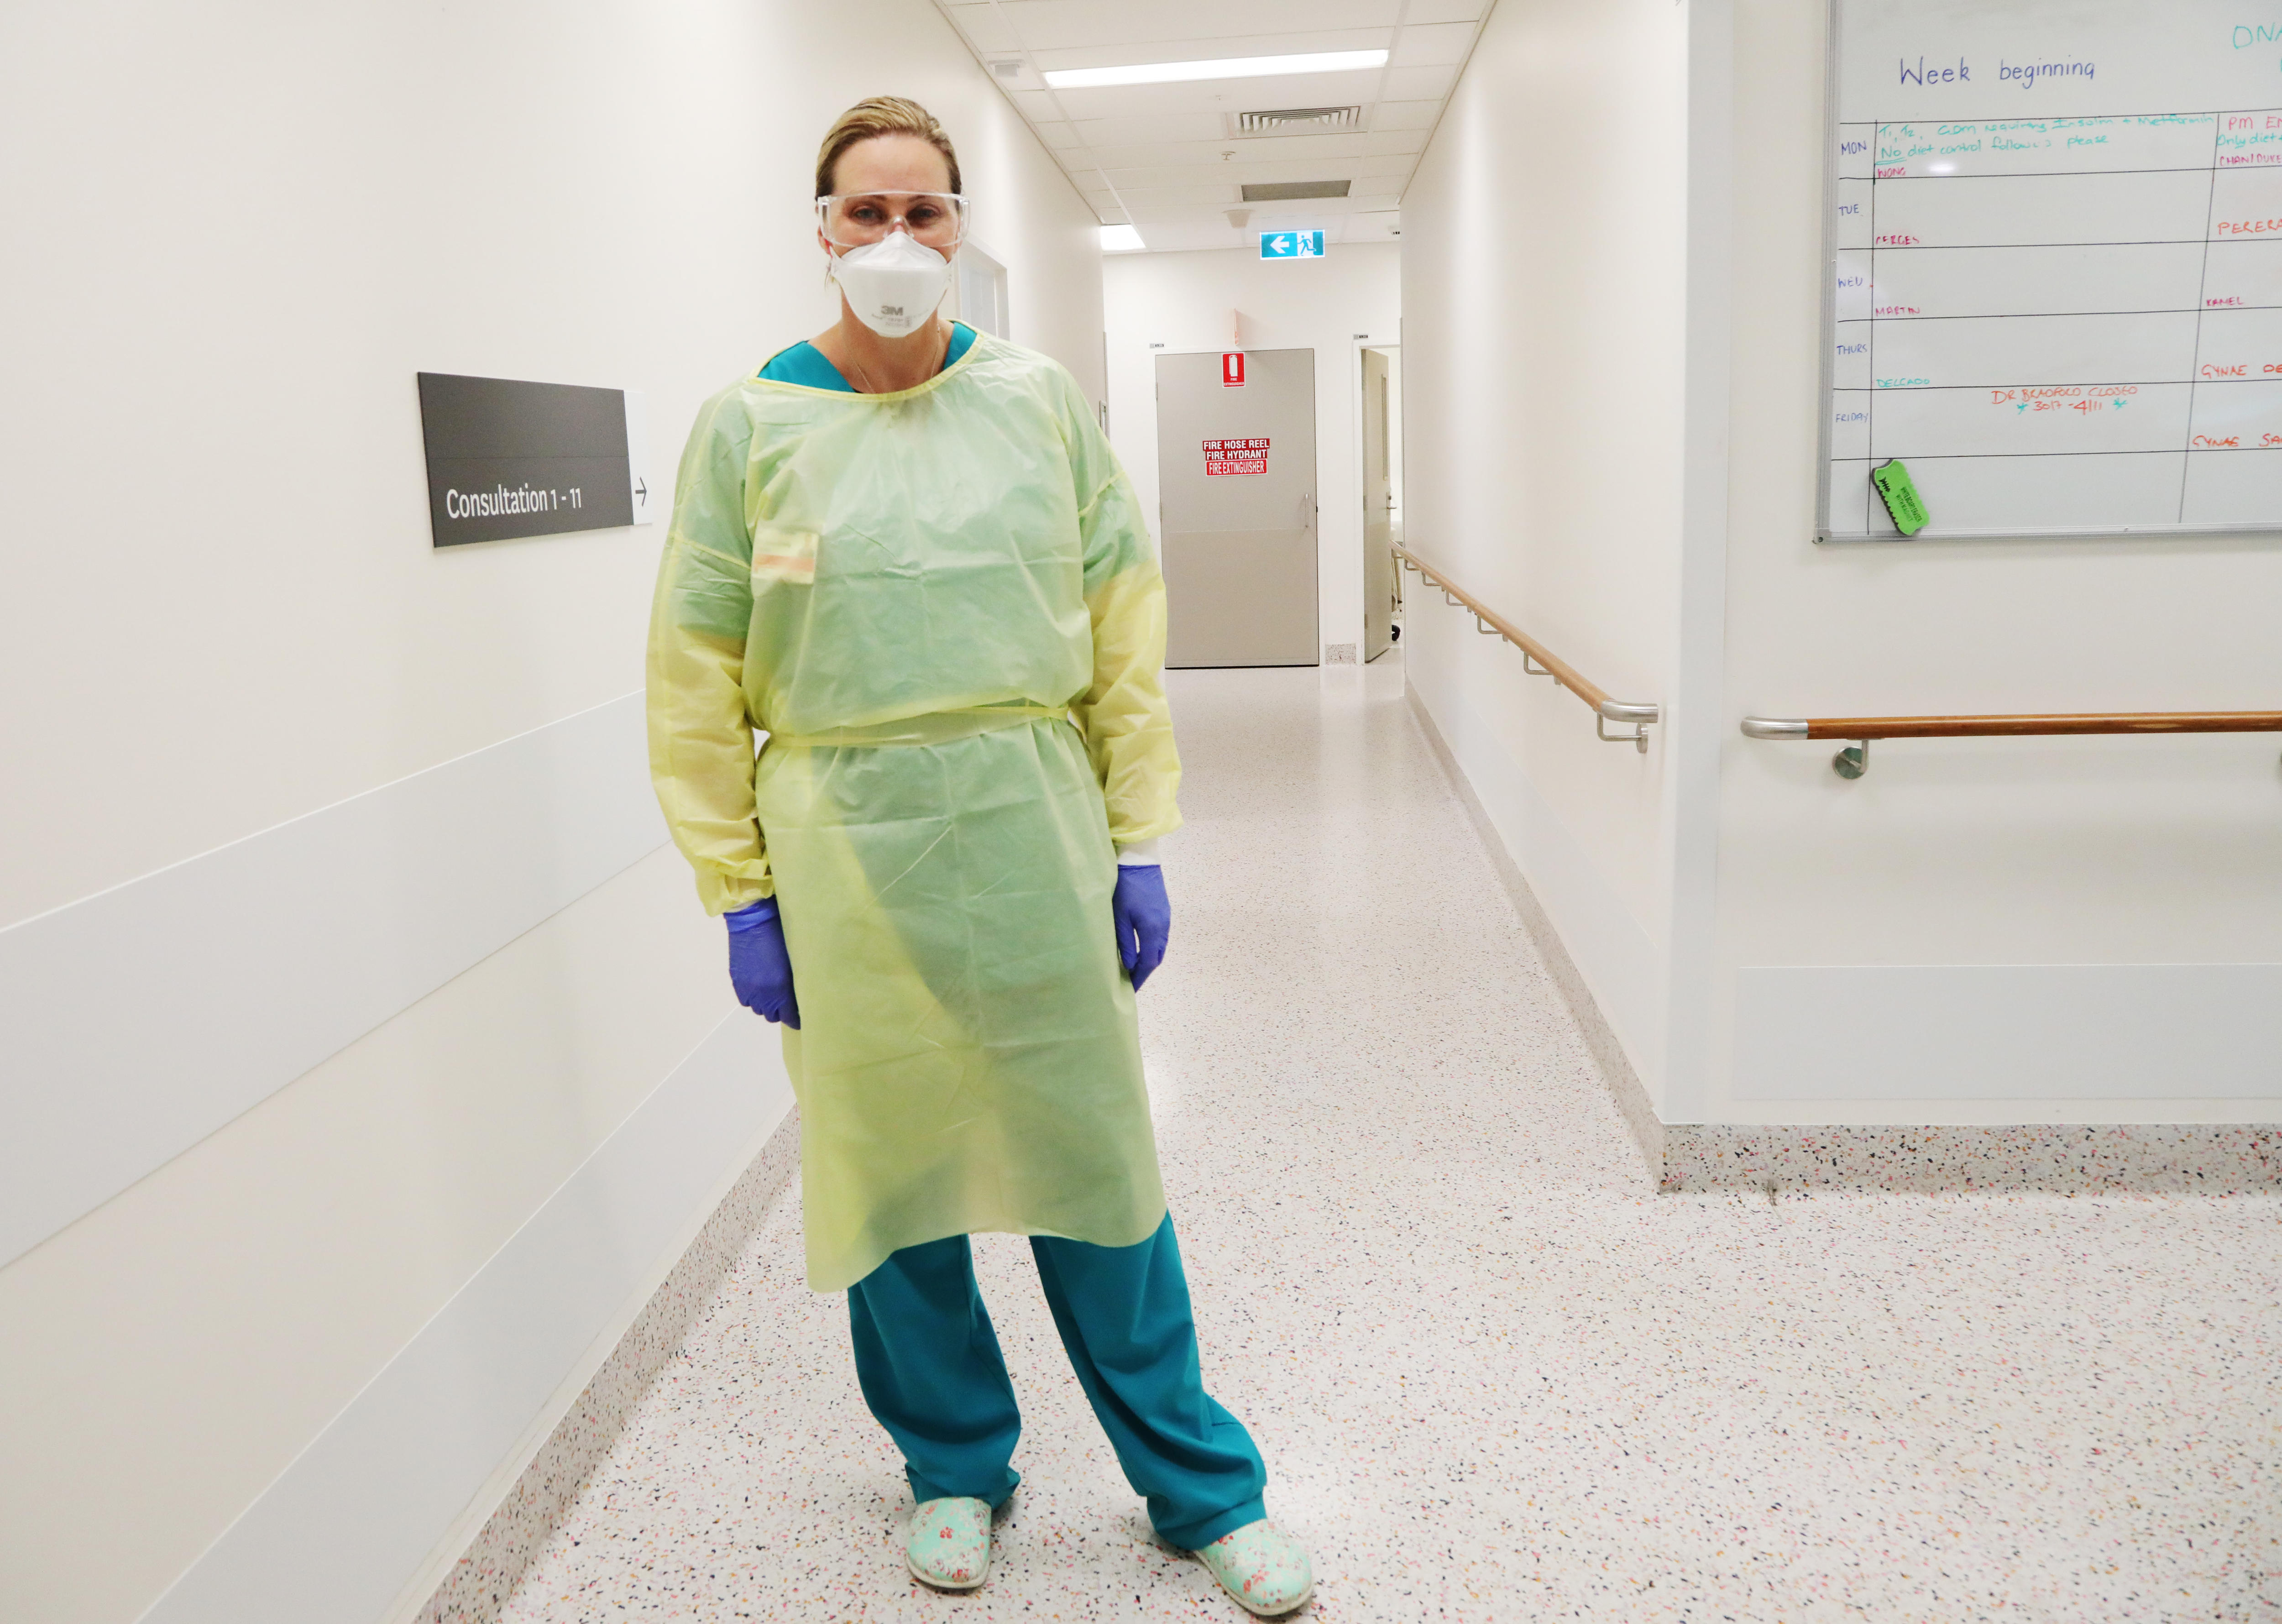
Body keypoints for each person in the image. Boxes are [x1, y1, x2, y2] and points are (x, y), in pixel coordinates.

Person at [644, 97, 1313, 1616]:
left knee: (1101, 1172)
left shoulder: (1037, 402)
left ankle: (1202, 1487)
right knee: (893, 1187)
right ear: (820, 230)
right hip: (841, 848)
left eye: (924, 213)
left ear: (960, 230)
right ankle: (952, 1468)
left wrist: (1138, 837)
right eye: (866, 214)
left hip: (1032, 824)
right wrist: (742, 893)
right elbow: (692, 680)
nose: (896, 242)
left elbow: (1125, 636)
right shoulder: (750, 428)